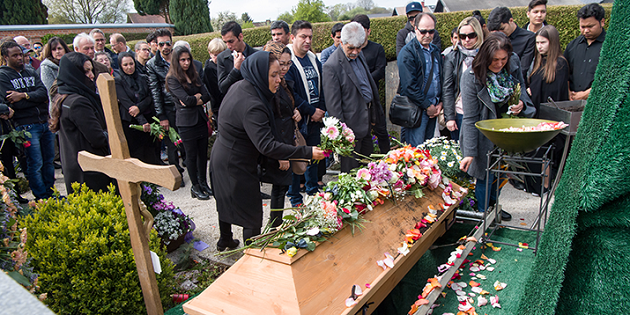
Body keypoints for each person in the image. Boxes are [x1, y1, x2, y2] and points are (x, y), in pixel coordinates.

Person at [210, 51, 325, 248]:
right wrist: (306, 152)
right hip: (235, 163)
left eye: (279, 74)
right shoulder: (252, 104)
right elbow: (266, 145)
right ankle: (251, 258)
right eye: (273, 75)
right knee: (251, 216)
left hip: (223, 155)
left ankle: (225, 240)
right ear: (259, 73)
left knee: (225, 202)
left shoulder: (244, 86)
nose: (279, 79)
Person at [459, 33, 534, 221]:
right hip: (483, 133)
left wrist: (521, 104)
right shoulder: (471, 76)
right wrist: (469, 152)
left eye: (503, 59)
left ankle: (494, 207)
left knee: (501, 171)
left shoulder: (512, 66)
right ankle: (483, 215)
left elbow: (521, 89)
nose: (499, 64)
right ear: (485, 58)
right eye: (494, 60)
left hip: (506, 131)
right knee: (485, 174)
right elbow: (469, 118)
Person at [323, 22, 382, 172]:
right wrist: (344, 136)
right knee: (352, 174)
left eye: (359, 47)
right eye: (351, 48)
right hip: (349, 131)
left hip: (366, 123)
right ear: (341, 42)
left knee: (368, 172)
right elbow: (333, 107)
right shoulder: (332, 66)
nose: (355, 52)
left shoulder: (359, 55)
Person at [0, 41, 55, 200]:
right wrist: (29, 99)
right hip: (26, 126)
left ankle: (51, 194)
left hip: (43, 121)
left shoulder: (30, 70)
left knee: (48, 162)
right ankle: (41, 197)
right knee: (35, 163)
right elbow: (10, 102)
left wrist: (23, 95)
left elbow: (43, 94)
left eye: (21, 55)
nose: (20, 58)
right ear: (5, 57)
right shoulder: (3, 76)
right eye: (15, 55)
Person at [51, 52, 112, 194]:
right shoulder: (78, 102)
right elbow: (97, 138)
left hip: (76, 166)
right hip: (88, 169)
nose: (91, 75)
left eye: (91, 70)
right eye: (86, 71)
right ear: (73, 74)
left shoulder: (66, 97)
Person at [285, 20, 326, 207]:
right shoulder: (289, 61)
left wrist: (322, 109)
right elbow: (291, 93)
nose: (307, 40)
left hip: (316, 117)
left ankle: (312, 191)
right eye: (303, 36)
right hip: (300, 118)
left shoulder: (313, 58)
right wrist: (310, 110)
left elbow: (322, 85)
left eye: (310, 36)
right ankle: (295, 197)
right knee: (298, 158)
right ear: (293, 37)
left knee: (314, 156)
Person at [261, 41, 302, 227]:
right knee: (278, 189)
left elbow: (287, 108)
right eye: (281, 63)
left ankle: (275, 225)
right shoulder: (269, 87)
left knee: (282, 187)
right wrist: (280, 155)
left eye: (288, 63)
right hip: (278, 144)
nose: (285, 68)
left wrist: (296, 111)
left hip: (286, 141)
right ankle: (274, 227)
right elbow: (272, 123)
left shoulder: (283, 83)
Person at [166, 46, 212, 200]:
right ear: (176, 61)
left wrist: (195, 99)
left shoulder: (194, 75)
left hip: (200, 119)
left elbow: (206, 96)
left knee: (202, 154)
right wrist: (195, 98)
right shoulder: (172, 79)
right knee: (191, 156)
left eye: (188, 59)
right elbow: (186, 100)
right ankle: (195, 186)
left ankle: (203, 183)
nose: (186, 63)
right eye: (182, 60)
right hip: (186, 123)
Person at [146, 28, 186, 185]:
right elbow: (155, 92)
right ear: (156, 44)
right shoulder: (152, 64)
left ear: (172, 42)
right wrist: (161, 116)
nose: (164, 47)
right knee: (172, 144)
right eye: (161, 44)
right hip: (168, 108)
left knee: (185, 141)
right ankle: (177, 175)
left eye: (167, 43)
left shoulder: (179, 58)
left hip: (183, 105)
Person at [398, 13, 443, 146]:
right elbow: (408, 86)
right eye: (423, 31)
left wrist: (440, 103)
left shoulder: (435, 50)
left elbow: (440, 78)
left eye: (431, 31)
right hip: (416, 109)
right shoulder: (408, 52)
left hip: (434, 107)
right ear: (415, 29)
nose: (427, 35)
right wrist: (427, 106)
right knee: (416, 150)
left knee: (427, 149)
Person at [350, 14, 390, 154]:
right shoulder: (348, 51)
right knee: (360, 135)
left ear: (368, 31)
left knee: (381, 131)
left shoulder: (377, 49)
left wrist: (362, 81)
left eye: (361, 30)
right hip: (355, 102)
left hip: (373, 99)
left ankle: (387, 158)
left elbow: (380, 71)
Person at [115, 52, 161, 166]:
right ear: (120, 66)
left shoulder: (143, 78)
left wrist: (139, 108)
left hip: (147, 115)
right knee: (137, 151)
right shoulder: (118, 81)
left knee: (151, 148)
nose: (129, 67)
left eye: (131, 64)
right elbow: (127, 103)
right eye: (125, 65)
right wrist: (142, 121)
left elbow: (149, 97)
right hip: (131, 121)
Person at [443, 17, 484, 141]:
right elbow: (448, 88)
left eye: (471, 35)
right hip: (460, 112)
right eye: (462, 36)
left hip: (482, 112)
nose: (467, 40)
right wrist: (449, 117)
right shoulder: (453, 56)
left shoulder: (486, 55)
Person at [564, 3, 606, 101]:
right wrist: (569, 92)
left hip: (598, 102)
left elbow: (610, 78)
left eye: (590, 26)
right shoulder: (572, 46)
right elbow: (564, 72)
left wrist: (586, 94)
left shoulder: (610, 47)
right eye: (582, 27)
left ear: (602, 22)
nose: (586, 31)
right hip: (573, 103)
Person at [528, 25, 569, 116]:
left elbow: (557, 93)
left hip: (550, 114)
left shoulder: (560, 63)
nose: (539, 46)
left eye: (543, 42)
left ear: (552, 42)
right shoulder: (538, 60)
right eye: (537, 43)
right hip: (536, 111)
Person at [487, 7, 536, 82]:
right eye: (495, 31)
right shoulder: (493, 38)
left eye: (502, 29)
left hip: (516, 82)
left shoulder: (528, 38)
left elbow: (523, 68)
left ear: (511, 20)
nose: (499, 34)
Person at [217, 21, 257, 96]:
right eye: (225, 42)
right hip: (235, 101)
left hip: (255, 101)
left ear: (240, 37)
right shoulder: (222, 58)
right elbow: (222, 88)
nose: (228, 46)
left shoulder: (256, 55)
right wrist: (235, 70)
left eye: (231, 41)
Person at [203, 38, 227, 122]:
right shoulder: (209, 68)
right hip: (219, 106)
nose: (219, 58)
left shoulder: (225, 64)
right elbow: (214, 92)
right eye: (216, 55)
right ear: (210, 53)